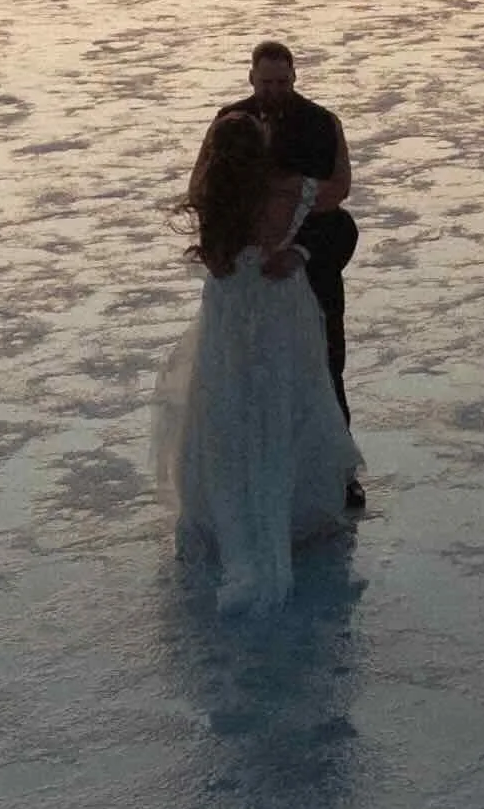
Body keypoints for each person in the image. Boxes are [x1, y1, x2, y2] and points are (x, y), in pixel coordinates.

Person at [152, 109, 365, 613]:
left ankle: (225, 512)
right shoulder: (289, 191)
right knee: (285, 403)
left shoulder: (215, 202)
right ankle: (291, 510)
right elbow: (338, 190)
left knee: (225, 410)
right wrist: (336, 136)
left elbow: (216, 259)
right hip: (278, 313)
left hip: (228, 316)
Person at [200, 41, 363, 505]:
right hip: (246, 277)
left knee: (324, 370)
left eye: (282, 82)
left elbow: (338, 192)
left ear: (295, 78)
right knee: (242, 376)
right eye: (266, 82)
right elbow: (206, 186)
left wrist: (289, 210)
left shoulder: (321, 122)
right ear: (251, 78)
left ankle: (336, 473)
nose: (274, 90)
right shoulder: (229, 121)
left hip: (310, 272)